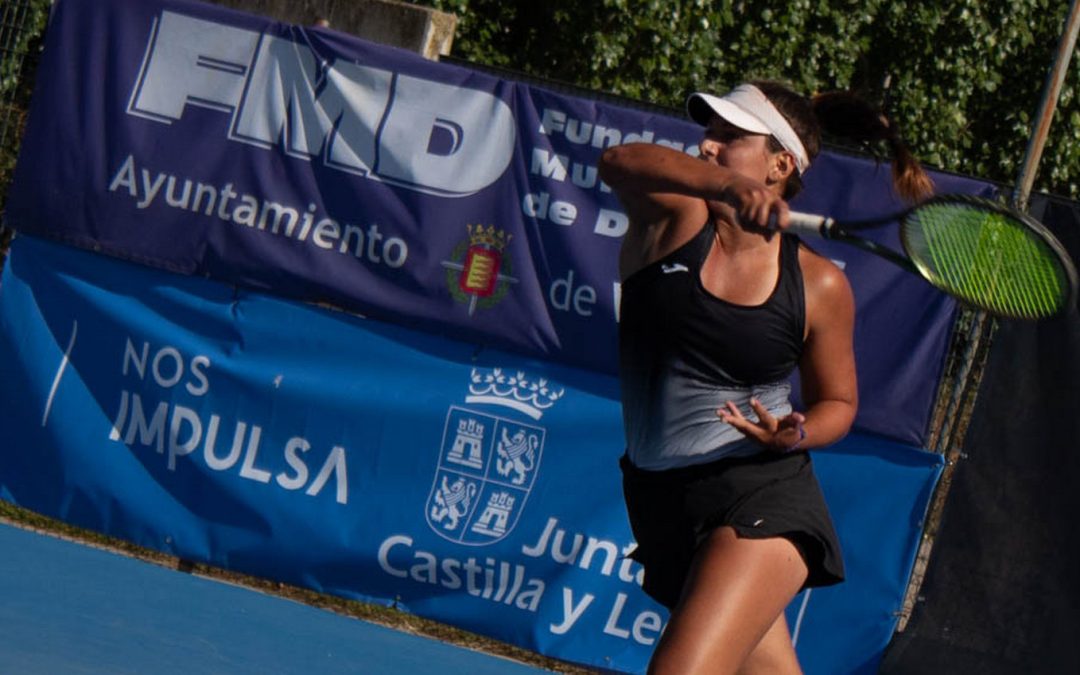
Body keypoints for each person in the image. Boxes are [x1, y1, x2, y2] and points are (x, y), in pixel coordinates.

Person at [597, 81, 933, 674]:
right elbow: (619, 160)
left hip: (762, 494)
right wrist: (729, 183)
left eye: (730, 138)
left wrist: (795, 434)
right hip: (661, 500)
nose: (707, 146)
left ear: (780, 164)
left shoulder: (820, 284)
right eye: (709, 133)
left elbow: (839, 401)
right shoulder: (672, 221)